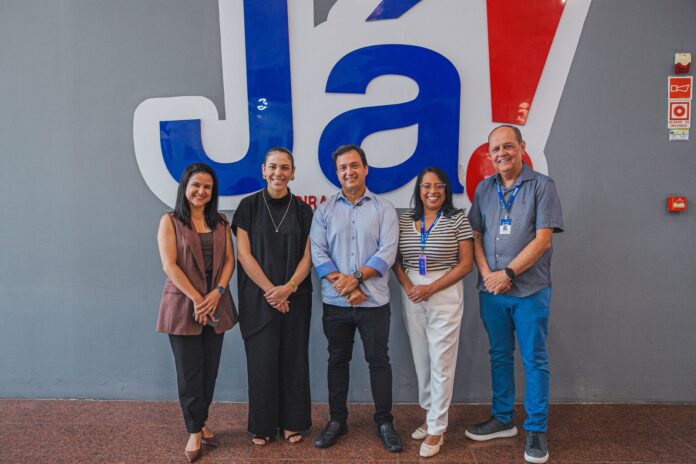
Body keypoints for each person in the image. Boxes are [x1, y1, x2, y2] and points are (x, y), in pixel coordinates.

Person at [465, 125, 563, 464]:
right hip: (492, 291)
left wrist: (507, 273)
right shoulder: (484, 189)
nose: (502, 153)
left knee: (534, 358)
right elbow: (475, 235)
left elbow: (543, 240)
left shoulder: (543, 186)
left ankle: (535, 429)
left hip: (530, 290)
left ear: (522, 147)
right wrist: (488, 276)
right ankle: (502, 418)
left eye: (508, 146)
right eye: (495, 149)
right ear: (489, 155)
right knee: (499, 355)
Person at [309, 144, 403, 452]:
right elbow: (318, 252)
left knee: (379, 361)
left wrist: (356, 279)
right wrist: (346, 287)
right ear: (337, 173)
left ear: (365, 169)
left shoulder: (384, 209)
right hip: (336, 303)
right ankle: (337, 420)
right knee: (337, 360)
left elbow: (387, 252)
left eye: (353, 166)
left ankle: (385, 422)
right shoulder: (324, 211)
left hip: (373, 303)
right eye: (342, 168)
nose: (348, 172)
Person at [156, 162, 238, 463]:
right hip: (183, 306)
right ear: (185, 187)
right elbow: (169, 265)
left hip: (216, 304)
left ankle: (201, 420)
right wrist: (197, 298)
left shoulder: (221, 222)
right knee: (189, 372)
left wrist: (217, 293)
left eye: (207, 187)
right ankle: (194, 430)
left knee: (209, 370)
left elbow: (229, 261)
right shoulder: (170, 220)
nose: (201, 191)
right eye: (196, 185)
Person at [231, 147, 313, 446]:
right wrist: (272, 291)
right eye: (273, 167)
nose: (279, 173)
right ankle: (262, 426)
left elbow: (309, 257)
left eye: (285, 167)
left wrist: (288, 288)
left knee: (294, 360)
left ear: (293, 173)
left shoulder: (304, 211)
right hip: (258, 298)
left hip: (295, 296)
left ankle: (293, 423)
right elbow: (244, 255)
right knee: (262, 362)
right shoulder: (248, 207)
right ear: (263, 170)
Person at [392, 166, 473, 458]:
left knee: (441, 361)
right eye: (426, 186)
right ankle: (430, 415)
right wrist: (408, 286)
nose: (432, 191)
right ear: (419, 190)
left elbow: (466, 264)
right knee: (422, 359)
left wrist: (431, 288)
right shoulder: (405, 220)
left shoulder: (457, 219)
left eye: (438, 186)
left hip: (444, 291)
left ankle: (438, 427)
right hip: (413, 291)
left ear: (446, 190)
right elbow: (395, 260)